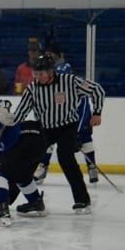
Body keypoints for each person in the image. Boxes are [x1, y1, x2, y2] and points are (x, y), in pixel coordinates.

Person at [0, 54, 105, 215]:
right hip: (45, 129)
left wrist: (96, 113)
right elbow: (21, 112)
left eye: (41, 74)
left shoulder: (69, 81)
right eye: (35, 74)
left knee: (66, 158)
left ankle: (83, 201)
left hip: (67, 127)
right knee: (27, 160)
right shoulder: (33, 88)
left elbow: (97, 90)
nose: (38, 77)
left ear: (51, 72)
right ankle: (9, 200)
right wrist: (7, 123)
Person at [34, 44, 99, 183]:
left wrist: (77, 132)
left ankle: (91, 166)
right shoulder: (49, 89)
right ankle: (43, 166)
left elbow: (83, 111)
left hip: (75, 122)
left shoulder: (76, 91)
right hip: (59, 121)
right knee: (47, 140)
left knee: (85, 137)